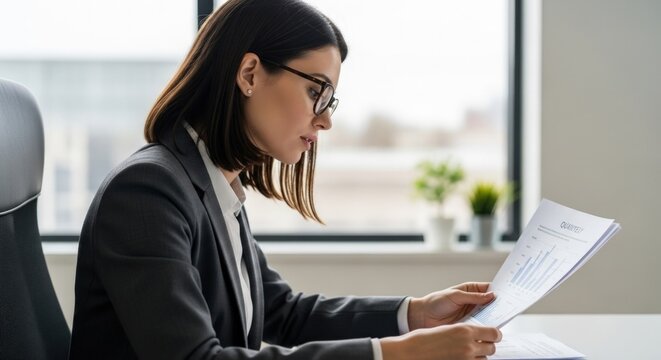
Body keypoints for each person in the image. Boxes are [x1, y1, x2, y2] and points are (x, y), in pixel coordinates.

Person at [68, 0, 502, 359]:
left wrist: (415, 314)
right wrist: (394, 354)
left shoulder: (213, 187)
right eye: (316, 91)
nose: (327, 120)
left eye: (331, 100)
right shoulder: (148, 192)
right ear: (250, 74)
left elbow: (282, 312)